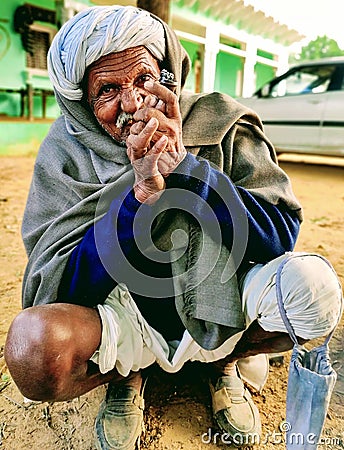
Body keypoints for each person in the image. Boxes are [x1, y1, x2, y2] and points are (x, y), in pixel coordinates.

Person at [4, 5, 342, 450]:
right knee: (33, 349)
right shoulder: (66, 153)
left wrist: (187, 169)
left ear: (167, 75)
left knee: (314, 291)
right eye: (107, 89)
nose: (132, 102)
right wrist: (136, 199)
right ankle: (128, 373)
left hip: (226, 298)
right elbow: (60, 287)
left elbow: (278, 233)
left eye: (143, 79)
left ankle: (225, 361)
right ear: (83, 104)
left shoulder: (220, 121)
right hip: (124, 316)